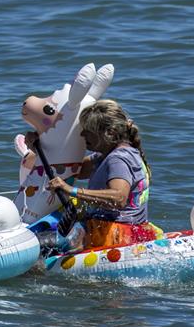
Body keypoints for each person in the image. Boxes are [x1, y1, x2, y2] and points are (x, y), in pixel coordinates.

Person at [35, 99, 155, 249]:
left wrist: (70, 190)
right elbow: (74, 169)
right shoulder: (107, 154)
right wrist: (41, 147)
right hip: (126, 229)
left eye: (88, 130)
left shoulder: (117, 159)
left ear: (109, 133)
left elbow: (119, 198)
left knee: (39, 245)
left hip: (114, 234)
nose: (82, 134)